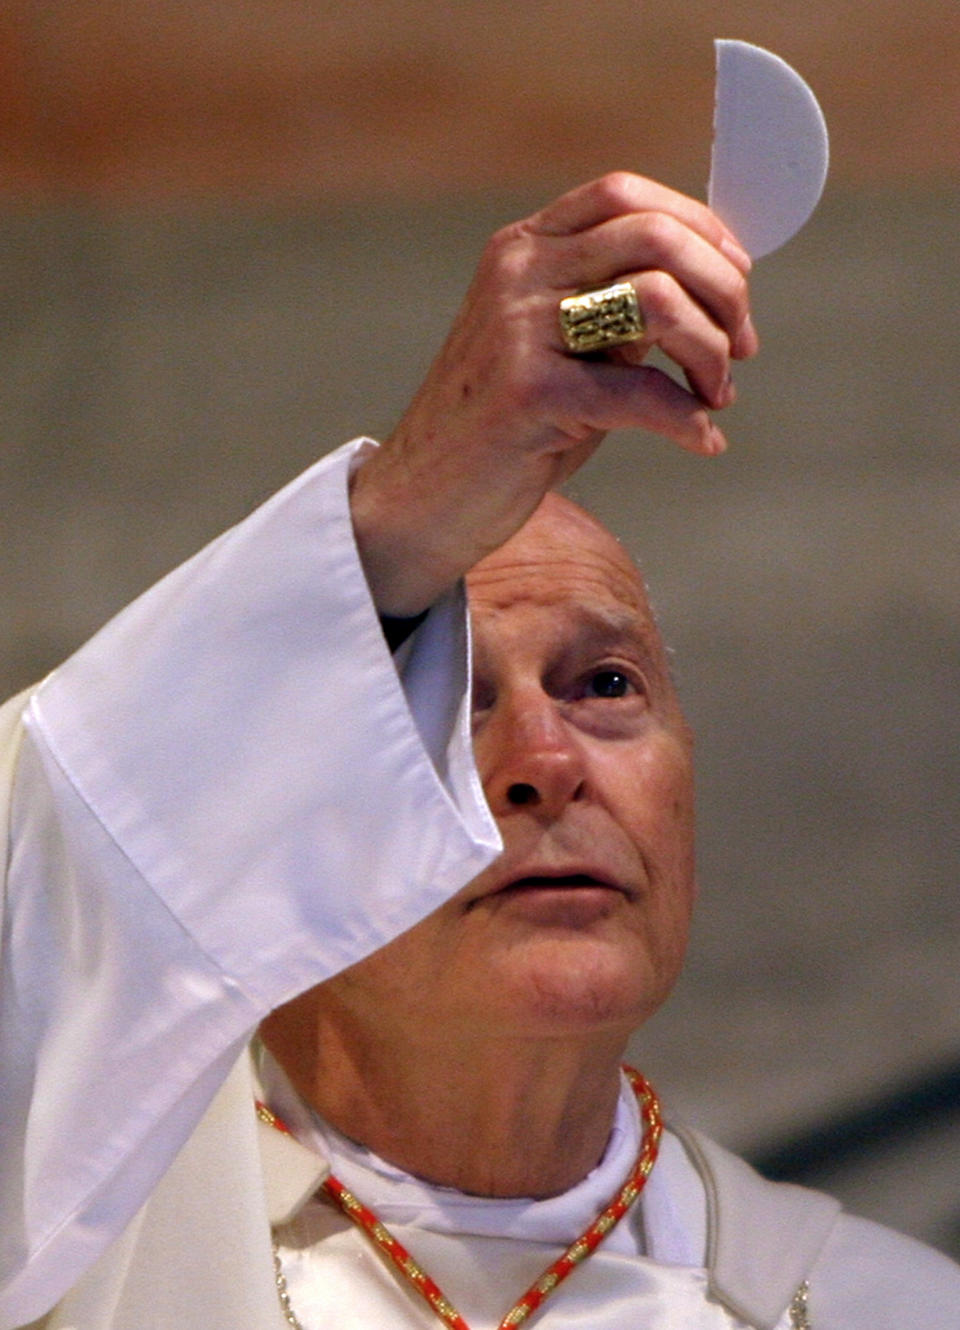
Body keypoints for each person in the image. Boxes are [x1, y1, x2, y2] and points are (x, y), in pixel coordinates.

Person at [0, 173, 956, 1330]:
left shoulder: (884, 1308)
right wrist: (404, 507)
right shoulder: (81, 1225)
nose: (544, 761)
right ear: (247, 808)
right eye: (437, 708)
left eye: (605, 685)